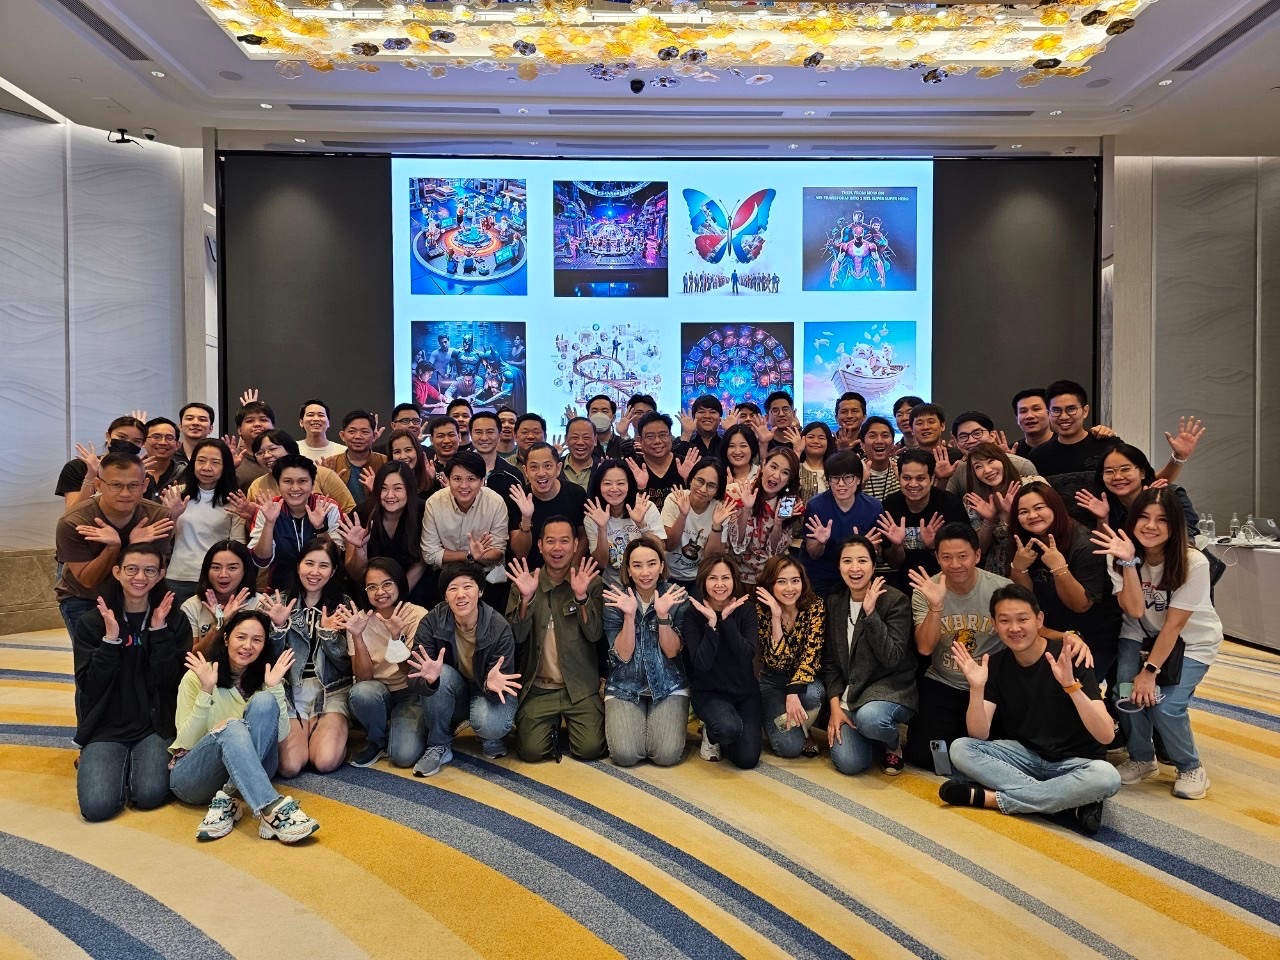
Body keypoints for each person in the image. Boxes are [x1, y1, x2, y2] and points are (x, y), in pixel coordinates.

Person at [941, 585, 1120, 837]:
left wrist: (1071, 686)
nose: (1014, 628)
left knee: (1107, 777)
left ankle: (994, 799)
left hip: (1077, 763)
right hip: (1026, 758)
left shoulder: (1069, 657)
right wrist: (977, 688)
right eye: (1005, 621)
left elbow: (1106, 735)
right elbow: (979, 734)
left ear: (1039, 620)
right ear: (994, 624)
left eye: (1022, 619)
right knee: (960, 748)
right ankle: (1066, 802)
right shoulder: (996, 664)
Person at [1093, 489, 1223, 800]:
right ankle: (1142, 759)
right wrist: (1129, 562)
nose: (1151, 526)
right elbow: (1135, 610)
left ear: (1175, 525)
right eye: (1144, 517)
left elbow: (1174, 626)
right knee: (1125, 694)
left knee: (1165, 705)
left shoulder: (1193, 561)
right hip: (1138, 633)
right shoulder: (1119, 554)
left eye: (1162, 520)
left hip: (1191, 641)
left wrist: (1149, 672)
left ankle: (1190, 767)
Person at [169, 610, 321, 843]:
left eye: (257, 640)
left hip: (251, 768)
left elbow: (280, 736)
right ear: (226, 638)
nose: (248, 646)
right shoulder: (198, 675)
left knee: (265, 701)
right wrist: (206, 691)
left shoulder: (266, 677)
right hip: (196, 777)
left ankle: (229, 797)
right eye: (241, 637)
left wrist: (274, 689)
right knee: (232, 726)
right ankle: (270, 807)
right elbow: (187, 741)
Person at [72, 542, 191, 822]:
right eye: (132, 569)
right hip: (106, 726)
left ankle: (129, 766)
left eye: (149, 570)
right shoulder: (93, 622)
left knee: (149, 795)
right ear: (117, 572)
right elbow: (90, 687)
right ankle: (109, 762)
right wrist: (110, 641)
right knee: (97, 808)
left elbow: (173, 682)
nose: (140, 577)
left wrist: (159, 631)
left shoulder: (174, 619)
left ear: (161, 574)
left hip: (155, 725)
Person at [903, 522, 1011, 770]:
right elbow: (925, 648)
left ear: (977, 555)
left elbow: (1025, 634)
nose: (955, 564)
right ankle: (957, 760)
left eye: (963, 556)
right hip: (944, 681)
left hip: (989, 686)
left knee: (1005, 747)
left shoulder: (1001, 589)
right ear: (937, 558)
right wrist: (936, 606)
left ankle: (968, 751)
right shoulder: (926, 590)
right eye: (947, 557)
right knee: (925, 755)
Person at [407, 562, 521, 776]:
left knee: (490, 724)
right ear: (445, 596)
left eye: (468, 587)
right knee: (440, 675)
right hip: (454, 691)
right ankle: (439, 744)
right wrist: (430, 680)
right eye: (453, 589)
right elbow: (414, 679)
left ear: (481, 591)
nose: (461, 595)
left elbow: (505, 685)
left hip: (485, 692)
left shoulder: (498, 626)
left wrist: (490, 685)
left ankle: (490, 736)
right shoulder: (431, 622)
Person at [507, 521, 605, 762]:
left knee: (590, 749)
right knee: (531, 752)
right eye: (550, 541)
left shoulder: (590, 582)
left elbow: (595, 634)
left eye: (564, 541)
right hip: (539, 688)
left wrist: (581, 597)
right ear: (540, 546)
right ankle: (548, 728)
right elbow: (516, 637)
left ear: (575, 545)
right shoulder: (524, 582)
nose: (557, 547)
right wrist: (526, 599)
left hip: (579, 687)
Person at [821, 536, 916, 776]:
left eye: (862, 560)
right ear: (839, 567)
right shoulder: (835, 602)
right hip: (851, 694)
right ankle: (869, 734)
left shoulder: (895, 600)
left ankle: (892, 743)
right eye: (847, 561)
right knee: (849, 763)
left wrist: (871, 614)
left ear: (874, 566)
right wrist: (834, 707)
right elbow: (830, 661)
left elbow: (892, 657)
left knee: (871, 719)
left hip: (889, 688)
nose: (855, 568)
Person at [1009, 480, 1121, 680]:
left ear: (1055, 507)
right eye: (1023, 511)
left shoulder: (1084, 543)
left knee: (1079, 688)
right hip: (1050, 632)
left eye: (1039, 508)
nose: (1032, 516)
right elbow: (1025, 598)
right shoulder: (1023, 543)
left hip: (1093, 635)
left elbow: (1081, 605)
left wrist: (1059, 568)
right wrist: (1019, 568)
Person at [55, 452, 175, 640]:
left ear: (145, 485)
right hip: (85, 598)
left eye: (133, 485)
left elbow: (154, 573)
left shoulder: (158, 517)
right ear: (98, 485)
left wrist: (135, 546)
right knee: (95, 656)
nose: (125, 493)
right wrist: (113, 547)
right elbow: (88, 580)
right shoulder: (74, 521)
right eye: (116, 485)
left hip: (137, 597)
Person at [260, 538, 353, 778]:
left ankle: (329, 731)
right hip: (291, 691)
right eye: (309, 563)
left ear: (333, 571)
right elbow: (266, 659)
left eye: (323, 565)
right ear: (298, 565)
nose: (314, 572)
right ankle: (311, 729)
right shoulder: (279, 602)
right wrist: (278, 628)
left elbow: (346, 664)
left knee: (325, 761)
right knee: (289, 767)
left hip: (331, 690)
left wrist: (329, 636)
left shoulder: (343, 605)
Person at [602, 537, 690, 767]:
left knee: (665, 755)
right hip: (624, 685)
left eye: (652, 564)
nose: (645, 572)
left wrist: (663, 617)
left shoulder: (677, 596)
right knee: (625, 755)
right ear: (628, 570)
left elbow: (673, 652)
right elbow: (623, 655)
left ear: (661, 566)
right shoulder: (615, 598)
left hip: (669, 684)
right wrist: (629, 616)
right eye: (637, 565)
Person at [345, 558, 430, 768]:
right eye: (372, 587)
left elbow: (410, 670)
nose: (380, 592)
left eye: (387, 584)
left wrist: (395, 638)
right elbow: (363, 677)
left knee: (403, 756)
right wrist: (357, 635)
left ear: (399, 583)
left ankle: (412, 728)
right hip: (377, 691)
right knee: (362, 692)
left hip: (410, 691)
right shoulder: (359, 621)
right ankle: (377, 740)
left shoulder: (417, 615)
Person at [683, 553, 760, 767]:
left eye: (725, 578)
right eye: (713, 578)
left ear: (734, 580)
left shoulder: (746, 610)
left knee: (746, 760)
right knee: (728, 728)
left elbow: (747, 657)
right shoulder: (693, 614)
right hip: (709, 693)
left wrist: (726, 620)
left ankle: (726, 732)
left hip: (745, 693)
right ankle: (713, 731)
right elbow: (702, 664)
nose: (719, 584)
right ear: (703, 581)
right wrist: (712, 625)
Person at [418, 450, 510, 608]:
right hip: (446, 577)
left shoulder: (495, 503)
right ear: (448, 479)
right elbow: (429, 554)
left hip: (485, 576)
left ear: (482, 481)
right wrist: (470, 555)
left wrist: (481, 556)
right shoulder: (434, 503)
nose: (464, 486)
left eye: (471, 479)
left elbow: (499, 550)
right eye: (457, 479)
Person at [160, 438, 244, 609]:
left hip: (218, 579)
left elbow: (238, 546)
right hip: (179, 575)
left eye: (215, 462)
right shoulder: (176, 494)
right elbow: (162, 540)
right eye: (201, 461)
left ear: (225, 467)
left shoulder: (234, 500)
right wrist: (173, 515)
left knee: (216, 624)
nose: (206, 467)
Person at [755, 554, 825, 758]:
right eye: (781, 582)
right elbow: (777, 662)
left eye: (795, 581)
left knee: (813, 695)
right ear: (770, 584)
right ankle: (784, 723)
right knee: (789, 748)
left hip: (803, 679)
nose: (790, 588)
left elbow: (812, 656)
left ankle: (804, 728)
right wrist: (776, 617)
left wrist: (793, 692)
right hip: (772, 681)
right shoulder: (761, 610)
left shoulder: (815, 605)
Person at [877, 448, 969, 594]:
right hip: (905, 585)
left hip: (947, 583)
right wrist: (897, 545)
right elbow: (894, 563)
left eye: (920, 478)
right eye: (907, 478)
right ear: (898, 477)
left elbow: (963, 558)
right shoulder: (890, 506)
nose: (913, 484)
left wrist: (933, 547)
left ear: (932, 479)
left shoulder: (950, 505)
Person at [248, 454, 344, 592]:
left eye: (302, 481)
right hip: (280, 588)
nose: (295, 488)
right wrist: (270, 523)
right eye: (288, 481)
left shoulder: (328, 508)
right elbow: (261, 560)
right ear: (278, 484)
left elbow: (337, 557)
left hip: (325, 588)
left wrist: (320, 528)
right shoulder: (268, 509)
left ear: (313, 484)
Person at [341, 461, 428, 603]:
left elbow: (421, 564)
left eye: (398, 488)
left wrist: (397, 597)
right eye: (383, 488)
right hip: (369, 592)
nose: (390, 495)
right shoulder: (361, 514)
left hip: (412, 590)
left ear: (409, 489)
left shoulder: (424, 512)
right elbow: (355, 574)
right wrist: (359, 549)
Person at [800, 449, 884, 597]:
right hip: (821, 575)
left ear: (859, 479)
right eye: (835, 478)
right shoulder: (816, 506)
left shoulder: (874, 507)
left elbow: (876, 552)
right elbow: (813, 553)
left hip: (857, 573)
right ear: (828, 480)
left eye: (848, 478)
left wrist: (868, 547)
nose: (841, 484)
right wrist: (820, 543)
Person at [1075, 443, 1200, 538]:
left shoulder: (1172, 495)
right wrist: (1103, 519)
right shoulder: (1105, 503)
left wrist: (1151, 505)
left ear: (1142, 473)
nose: (1117, 477)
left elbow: (1187, 538)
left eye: (1125, 469)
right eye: (1109, 471)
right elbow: (1102, 550)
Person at [726, 446, 802, 586]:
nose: (776, 475)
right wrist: (746, 510)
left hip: (769, 577)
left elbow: (774, 552)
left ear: (789, 479)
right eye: (773, 467)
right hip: (735, 575)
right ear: (763, 464)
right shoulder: (738, 491)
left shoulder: (788, 504)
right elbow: (736, 544)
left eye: (785, 472)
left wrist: (778, 522)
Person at [510, 441, 588, 571]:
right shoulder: (518, 498)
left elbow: (583, 536)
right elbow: (520, 553)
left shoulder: (577, 494)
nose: (541, 473)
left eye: (547, 466)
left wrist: (572, 568)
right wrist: (526, 518)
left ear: (558, 468)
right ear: (525, 471)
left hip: (569, 572)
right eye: (534, 467)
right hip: (529, 573)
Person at [585, 458, 666, 584]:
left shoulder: (645, 507)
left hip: (649, 581)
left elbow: (661, 550)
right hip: (614, 586)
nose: (614, 489)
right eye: (607, 483)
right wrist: (602, 528)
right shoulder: (592, 517)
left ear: (629, 485)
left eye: (621, 483)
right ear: (598, 486)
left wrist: (641, 525)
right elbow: (601, 563)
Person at [243, 430, 356, 515]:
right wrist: (251, 516)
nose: (266, 456)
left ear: (290, 449)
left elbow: (350, 511)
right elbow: (254, 529)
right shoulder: (256, 486)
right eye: (260, 453)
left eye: (272, 449)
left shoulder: (323, 474)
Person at [180, 540, 261, 656]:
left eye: (232, 568)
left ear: (245, 570)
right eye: (216, 567)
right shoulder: (191, 606)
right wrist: (219, 625)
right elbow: (192, 657)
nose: (223, 575)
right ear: (207, 571)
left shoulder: (259, 603)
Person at [662, 459, 732, 588]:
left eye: (711, 485)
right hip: (668, 574)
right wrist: (682, 515)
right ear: (691, 480)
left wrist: (717, 526)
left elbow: (712, 558)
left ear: (717, 490)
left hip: (701, 575)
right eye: (699, 481)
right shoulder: (675, 499)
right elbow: (669, 546)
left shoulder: (720, 510)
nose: (703, 489)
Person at [56, 415, 148, 512]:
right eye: (121, 437)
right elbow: (72, 512)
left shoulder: (143, 473)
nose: (128, 444)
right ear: (108, 436)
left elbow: (143, 511)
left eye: (136, 441)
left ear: (142, 445)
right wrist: (91, 475)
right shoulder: (77, 467)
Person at [958, 442, 1022, 577]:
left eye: (991, 461)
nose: (987, 470)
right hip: (996, 570)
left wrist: (1012, 514)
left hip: (1031, 560)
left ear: (1003, 460)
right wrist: (988, 520)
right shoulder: (973, 500)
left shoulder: (1031, 485)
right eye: (978, 466)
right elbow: (981, 548)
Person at [945, 411, 1035, 497]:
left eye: (977, 433)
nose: (971, 440)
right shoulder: (957, 471)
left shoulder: (1021, 465)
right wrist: (942, 480)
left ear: (992, 435)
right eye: (963, 437)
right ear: (957, 443)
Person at [322, 410, 387, 509]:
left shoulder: (385, 462)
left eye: (364, 432)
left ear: (374, 436)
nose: (358, 437)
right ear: (342, 435)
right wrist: (328, 485)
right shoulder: (330, 464)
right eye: (352, 431)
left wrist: (377, 489)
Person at [630, 412, 695, 510]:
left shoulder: (686, 465)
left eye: (662, 435)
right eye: (650, 437)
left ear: (670, 437)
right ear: (640, 441)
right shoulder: (633, 469)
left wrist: (689, 480)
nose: (657, 441)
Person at [232, 398, 277, 490]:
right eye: (250, 421)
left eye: (263, 420)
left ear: (273, 426)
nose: (257, 424)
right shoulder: (232, 458)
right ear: (239, 430)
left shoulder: (283, 455)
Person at [386, 427, 439, 498]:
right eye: (397, 452)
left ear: (417, 451)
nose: (403, 456)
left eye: (408, 450)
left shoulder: (431, 483)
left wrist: (431, 480)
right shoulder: (385, 484)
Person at [858, 417, 899, 501]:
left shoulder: (902, 467)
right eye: (872, 436)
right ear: (862, 445)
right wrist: (859, 486)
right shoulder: (854, 471)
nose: (879, 441)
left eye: (885, 436)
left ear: (892, 444)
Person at [142, 417, 184, 496]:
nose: (163, 442)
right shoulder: (131, 472)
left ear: (177, 445)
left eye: (169, 438)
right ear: (143, 442)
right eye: (156, 437)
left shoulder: (186, 474)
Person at [297, 399, 346, 464]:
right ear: (301, 422)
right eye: (310, 415)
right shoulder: (291, 449)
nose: (316, 419)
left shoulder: (343, 451)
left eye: (321, 415)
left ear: (328, 423)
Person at [797, 422, 834, 503]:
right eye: (810, 437)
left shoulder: (835, 470)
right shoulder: (795, 468)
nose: (816, 441)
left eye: (821, 438)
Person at [561, 416, 599, 491]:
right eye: (575, 437)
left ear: (595, 440)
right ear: (566, 440)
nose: (580, 442)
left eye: (586, 437)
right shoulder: (555, 467)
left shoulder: (603, 468)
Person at [1010, 389, 1052, 456]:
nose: (1029, 416)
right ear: (1017, 418)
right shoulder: (1011, 452)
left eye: (1036, 409)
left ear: (1049, 412)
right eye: (1023, 411)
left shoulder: (1064, 444)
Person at [682, 394, 724, 459]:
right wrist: (686, 435)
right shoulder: (684, 441)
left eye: (713, 412)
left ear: (720, 418)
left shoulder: (726, 442)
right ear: (693, 417)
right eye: (701, 412)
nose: (707, 416)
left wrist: (731, 431)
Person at [721, 423, 760, 490]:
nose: (737, 452)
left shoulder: (761, 475)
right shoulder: (718, 475)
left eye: (743, 446)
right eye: (731, 446)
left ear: (752, 448)